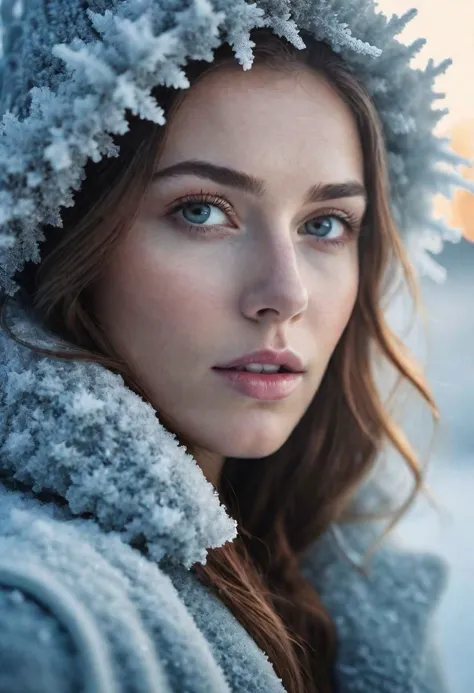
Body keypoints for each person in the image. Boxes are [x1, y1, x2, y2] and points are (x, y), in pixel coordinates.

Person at [0, 1, 471, 692]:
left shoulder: (340, 572)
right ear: (61, 230)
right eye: (202, 210)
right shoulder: (40, 625)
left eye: (326, 223)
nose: (285, 292)